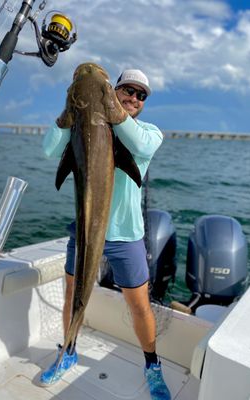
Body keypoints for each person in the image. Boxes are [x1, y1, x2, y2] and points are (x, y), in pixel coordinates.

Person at [40, 67, 171, 400]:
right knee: (73, 296)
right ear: (114, 90)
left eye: (140, 95)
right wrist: (70, 112)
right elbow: (50, 151)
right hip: (84, 233)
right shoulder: (84, 127)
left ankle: (152, 364)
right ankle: (68, 349)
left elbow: (138, 145)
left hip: (126, 239)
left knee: (139, 306)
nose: (133, 98)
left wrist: (110, 108)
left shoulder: (149, 132)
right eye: (127, 90)